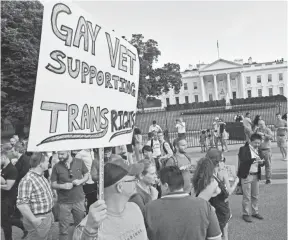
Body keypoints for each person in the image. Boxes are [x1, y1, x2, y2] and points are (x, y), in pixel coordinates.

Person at [72, 158, 148, 240]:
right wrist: (90, 231)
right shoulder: (87, 227)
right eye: (133, 180)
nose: (137, 182)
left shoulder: (135, 208)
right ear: (120, 187)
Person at [144, 166, 222, 240]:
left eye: (160, 184)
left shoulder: (149, 208)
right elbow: (216, 238)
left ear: (165, 186)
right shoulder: (205, 205)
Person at [51, 151, 89, 240]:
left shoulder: (80, 162)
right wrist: (62, 186)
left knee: (80, 226)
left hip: (79, 200)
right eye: (58, 154)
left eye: (62, 154)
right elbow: (53, 184)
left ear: (68, 152)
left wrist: (80, 181)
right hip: (63, 202)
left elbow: (87, 175)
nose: (59, 156)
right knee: (63, 229)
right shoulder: (56, 166)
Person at [17, 152, 54, 240]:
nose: (48, 164)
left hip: (47, 215)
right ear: (40, 164)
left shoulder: (41, 176)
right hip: (38, 218)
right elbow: (21, 204)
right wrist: (34, 220)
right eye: (46, 162)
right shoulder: (27, 180)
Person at [206, 148, 239, 240]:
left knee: (212, 230)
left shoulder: (206, 173)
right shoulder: (222, 173)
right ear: (218, 162)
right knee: (223, 228)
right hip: (221, 205)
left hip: (210, 206)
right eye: (222, 160)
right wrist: (236, 182)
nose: (224, 163)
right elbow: (228, 192)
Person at [237, 133, 265, 223]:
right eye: (255, 143)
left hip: (256, 175)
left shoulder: (259, 150)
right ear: (250, 141)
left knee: (255, 195)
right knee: (247, 196)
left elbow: (263, 161)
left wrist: (261, 162)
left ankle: (255, 212)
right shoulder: (243, 149)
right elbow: (243, 160)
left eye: (259, 143)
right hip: (247, 175)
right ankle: (245, 214)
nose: (257, 145)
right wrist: (254, 160)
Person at [1, 148, 19, 240]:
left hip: (8, 199)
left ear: (3, 157)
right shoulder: (3, 168)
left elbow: (8, 187)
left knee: (5, 221)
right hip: (3, 197)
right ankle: (22, 226)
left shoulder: (12, 169)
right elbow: (3, 182)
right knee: (5, 220)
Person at [254, 120, 273, 184]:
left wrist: (264, 134)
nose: (261, 126)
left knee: (267, 164)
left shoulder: (267, 130)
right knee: (257, 164)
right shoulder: (257, 130)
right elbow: (253, 137)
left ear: (264, 124)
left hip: (266, 149)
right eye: (259, 124)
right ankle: (257, 177)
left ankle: (268, 178)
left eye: (262, 124)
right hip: (259, 150)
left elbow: (271, 137)